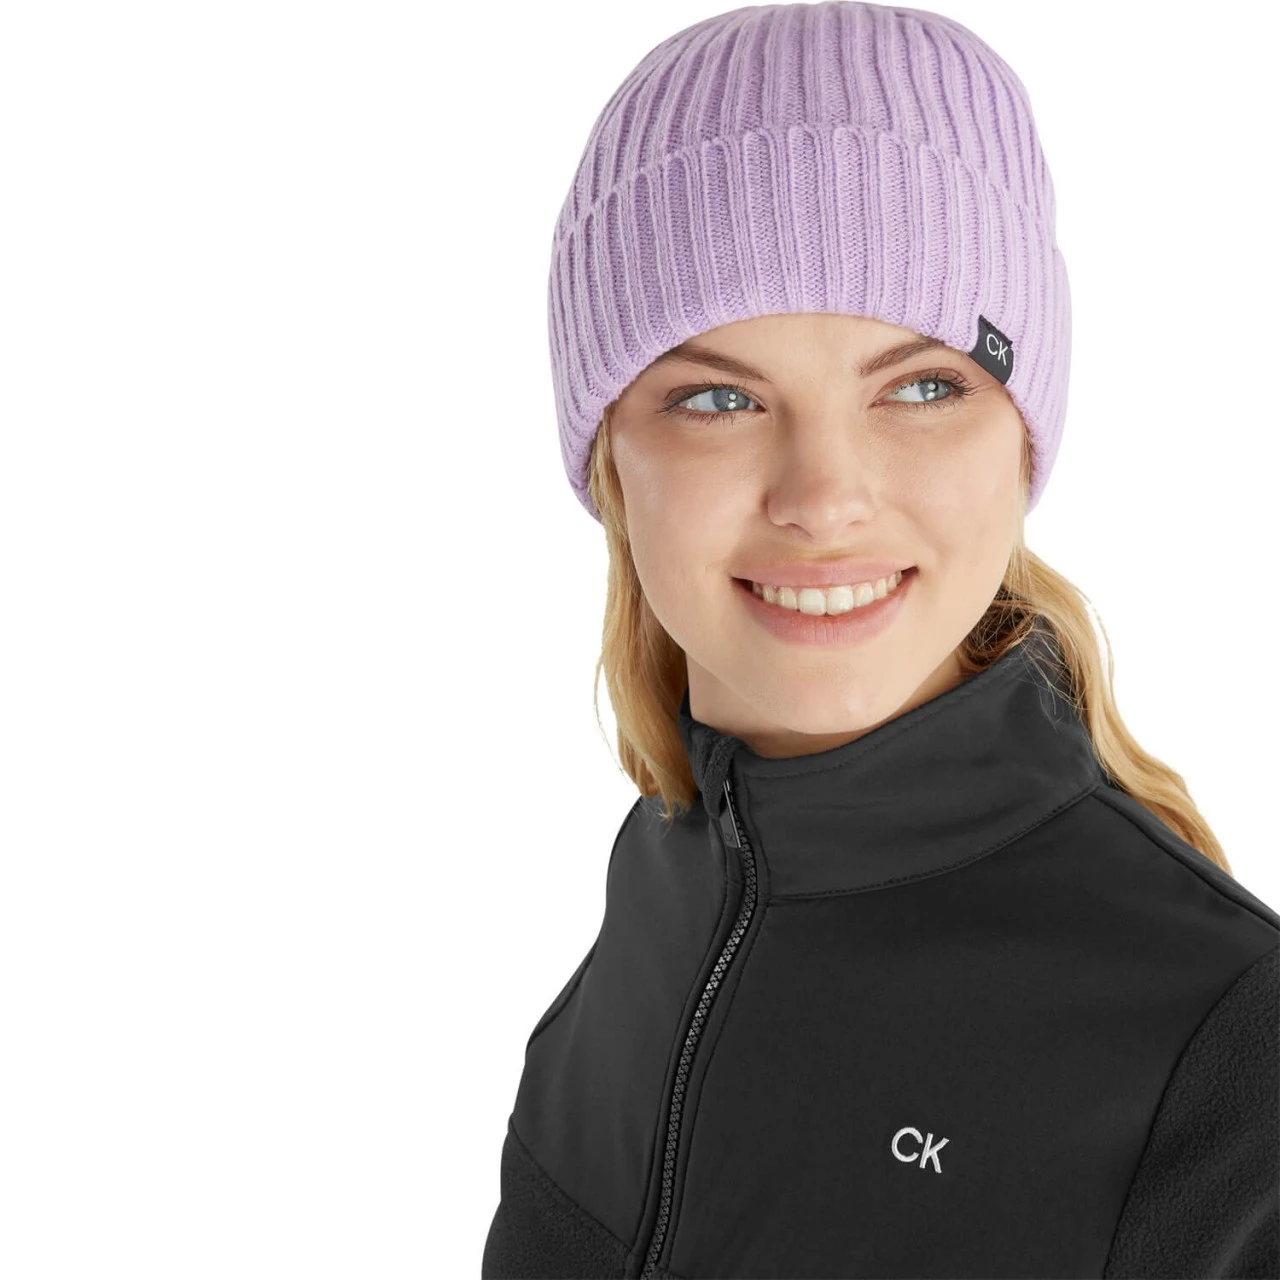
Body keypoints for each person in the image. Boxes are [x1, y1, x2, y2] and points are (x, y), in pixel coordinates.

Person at [481, 3, 1280, 1277]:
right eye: (716, 397)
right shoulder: (662, 879)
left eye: (921, 386)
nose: (823, 497)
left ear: (1019, 439)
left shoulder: (1229, 1052)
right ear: (609, 456)